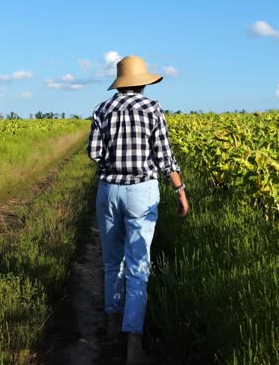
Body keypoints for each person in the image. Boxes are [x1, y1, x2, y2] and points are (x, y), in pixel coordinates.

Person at [86, 55, 189, 364]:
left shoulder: (102, 109)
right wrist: (179, 190)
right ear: (143, 82)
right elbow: (164, 156)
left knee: (111, 261)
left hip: (109, 190)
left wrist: (111, 160)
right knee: (138, 265)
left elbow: (93, 153)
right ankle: (133, 339)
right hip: (142, 191)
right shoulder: (152, 109)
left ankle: (111, 323)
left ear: (120, 83)